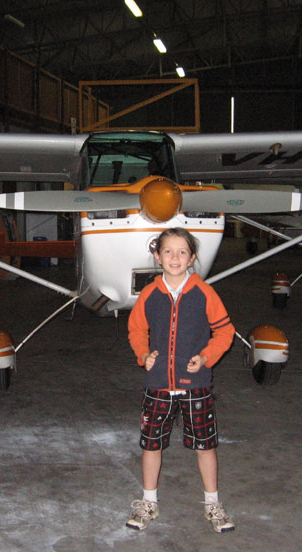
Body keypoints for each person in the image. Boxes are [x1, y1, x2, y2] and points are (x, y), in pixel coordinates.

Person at [126, 227, 236, 533]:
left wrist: (206, 356)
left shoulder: (205, 293)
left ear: (192, 258)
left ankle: (212, 503)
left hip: (195, 384)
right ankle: (149, 502)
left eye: (182, 252)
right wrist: (143, 354)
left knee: (205, 446)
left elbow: (225, 331)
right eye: (168, 251)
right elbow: (136, 329)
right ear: (157, 256)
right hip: (158, 384)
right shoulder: (149, 294)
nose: (175, 257)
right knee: (151, 445)